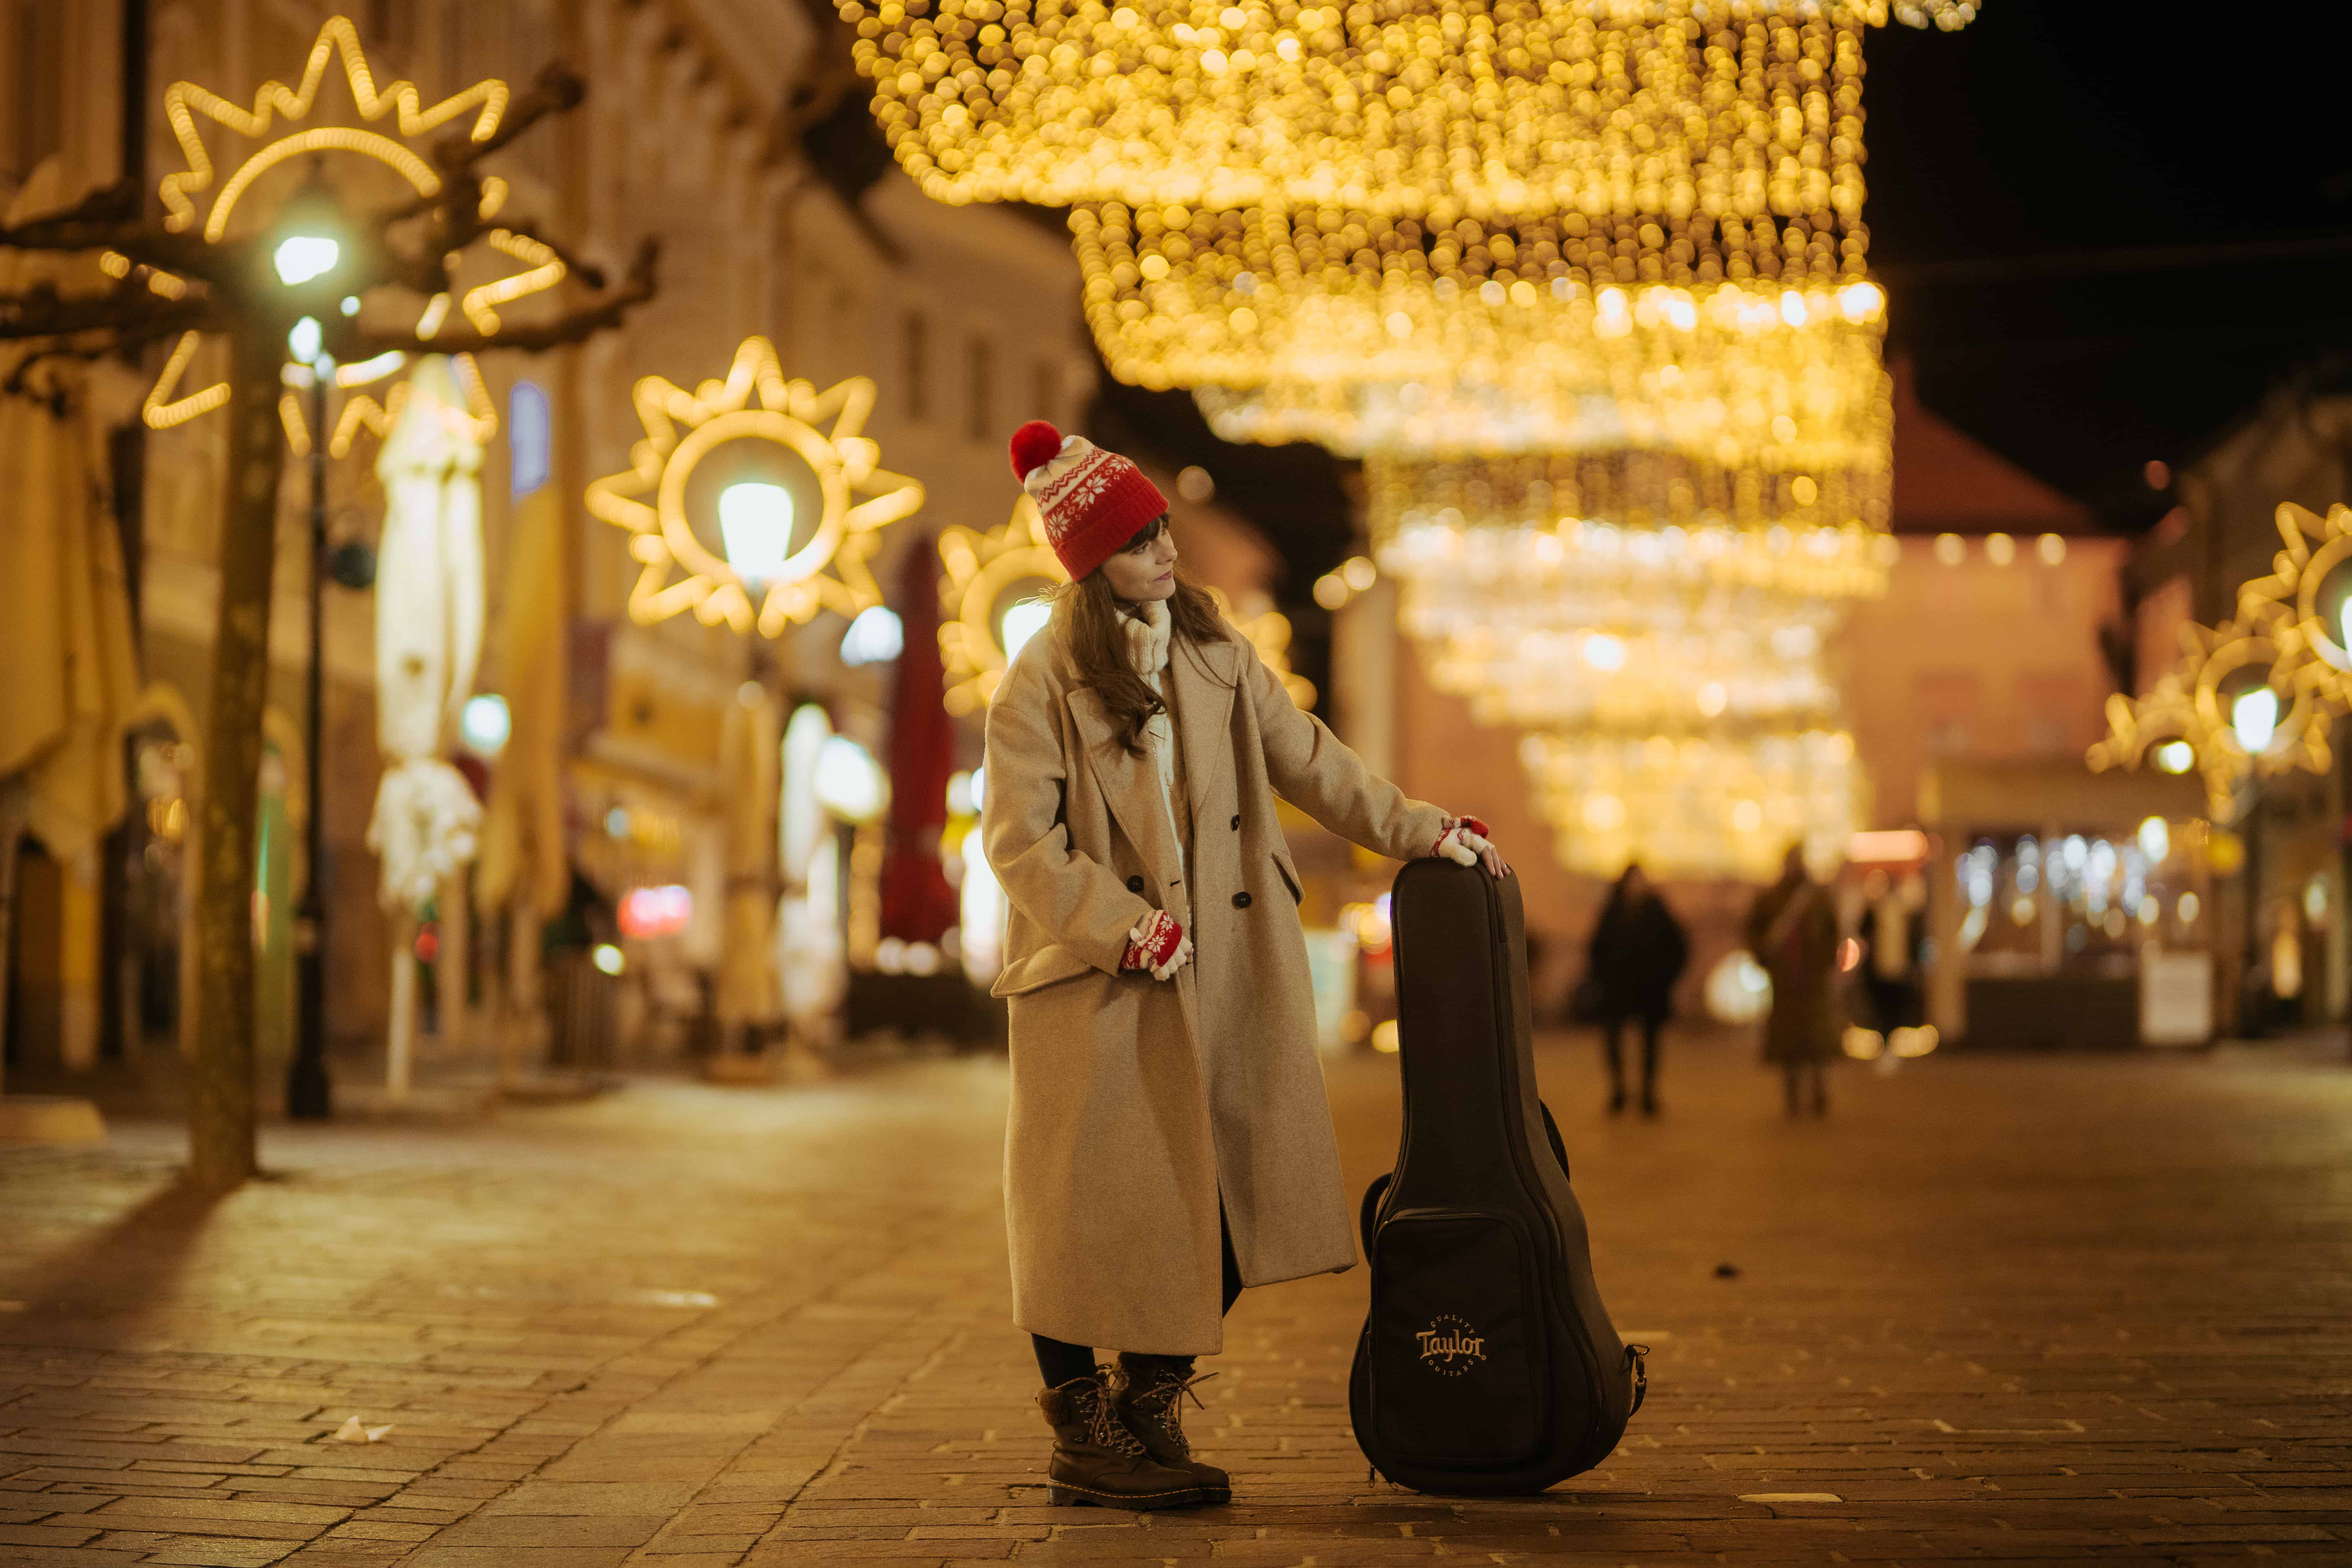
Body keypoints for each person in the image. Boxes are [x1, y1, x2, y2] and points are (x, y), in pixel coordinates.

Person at [983, 419, 1506, 1512]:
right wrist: (1116, 923)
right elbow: (1021, 843)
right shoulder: (1037, 679)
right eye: (1136, 545)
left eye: (1162, 533)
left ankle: (1148, 1398)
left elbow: (1315, 765)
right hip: (1097, 980)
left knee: (1230, 1195)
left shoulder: (1218, 655)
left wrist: (1420, 830)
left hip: (1225, 970)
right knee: (1075, 1212)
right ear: (1089, 566)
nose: (1164, 556)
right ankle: (1081, 1424)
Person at [1745, 843, 1841, 1117]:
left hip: (1813, 979)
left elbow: (1832, 932)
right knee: (1790, 1041)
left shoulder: (1817, 898)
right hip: (1785, 980)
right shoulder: (1772, 898)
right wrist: (1765, 957)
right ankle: (1792, 1094)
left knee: (1816, 1039)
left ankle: (1819, 1090)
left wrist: (1824, 960)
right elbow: (1754, 930)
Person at [1585, 863, 1688, 1115]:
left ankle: (1647, 1093)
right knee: (1613, 1039)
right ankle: (1619, 1090)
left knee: (1650, 1042)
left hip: (1650, 988)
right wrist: (1602, 978)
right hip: (1617, 987)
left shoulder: (1656, 910)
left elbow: (1678, 946)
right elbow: (1596, 946)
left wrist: (1666, 977)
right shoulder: (1613, 910)